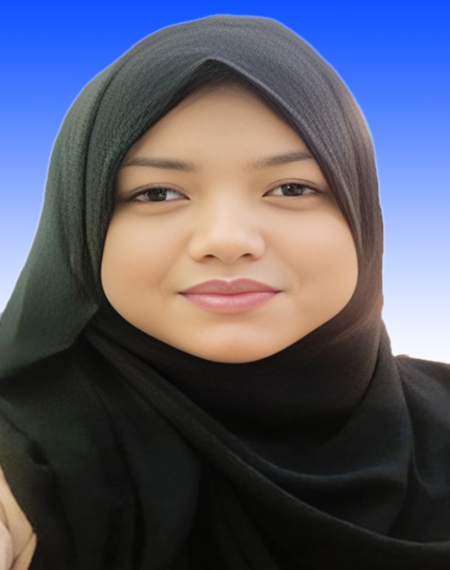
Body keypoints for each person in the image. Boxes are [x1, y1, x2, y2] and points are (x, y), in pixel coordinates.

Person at [0, 14, 449, 570]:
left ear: (361, 213)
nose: (227, 240)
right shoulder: (29, 459)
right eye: (158, 193)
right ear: (81, 227)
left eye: (291, 187)